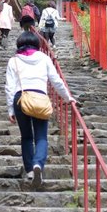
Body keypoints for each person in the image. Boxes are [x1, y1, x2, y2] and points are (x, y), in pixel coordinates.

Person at [5, 32, 76, 188]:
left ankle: (30, 170)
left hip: (20, 98)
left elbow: (9, 87)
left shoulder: (13, 61)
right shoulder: (44, 58)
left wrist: (10, 109)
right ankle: (38, 164)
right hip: (40, 98)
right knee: (41, 137)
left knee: (26, 137)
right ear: (37, 44)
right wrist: (67, 97)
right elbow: (56, 80)